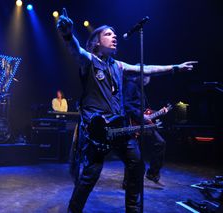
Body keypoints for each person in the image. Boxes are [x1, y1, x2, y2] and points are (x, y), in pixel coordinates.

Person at [57, 8, 197, 213]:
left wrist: (175, 67)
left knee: (137, 164)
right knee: (90, 176)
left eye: (114, 34)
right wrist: (68, 34)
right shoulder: (89, 61)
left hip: (120, 128)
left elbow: (147, 69)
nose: (114, 36)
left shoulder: (119, 66)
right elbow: (75, 50)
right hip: (98, 130)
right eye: (107, 34)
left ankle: (133, 209)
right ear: (96, 42)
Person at [122, 74, 168, 190]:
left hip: (143, 122)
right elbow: (126, 105)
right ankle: (127, 182)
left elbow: (144, 111)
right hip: (133, 123)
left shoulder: (140, 88)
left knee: (160, 143)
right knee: (133, 152)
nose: (149, 79)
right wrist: (140, 116)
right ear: (141, 76)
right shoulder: (131, 85)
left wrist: (159, 111)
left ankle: (152, 173)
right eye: (147, 76)